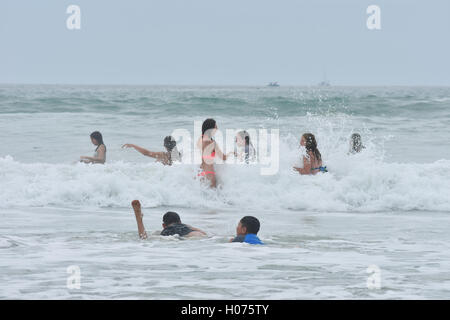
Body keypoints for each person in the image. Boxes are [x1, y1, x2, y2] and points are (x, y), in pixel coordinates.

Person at [131, 200, 206, 239]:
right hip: (188, 233)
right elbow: (203, 233)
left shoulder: (164, 230)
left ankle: (139, 220)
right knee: (199, 235)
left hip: (169, 233)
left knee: (145, 238)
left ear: (163, 225)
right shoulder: (185, 226)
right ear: (180, 221)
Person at [196, 118, 229, 188]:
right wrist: (232, 153)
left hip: (200, 172)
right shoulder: (212, 143)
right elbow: (223, 157)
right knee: (214, 197)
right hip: (209, 173)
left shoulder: (200, 139)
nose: (217, 129)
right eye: (215, 127)